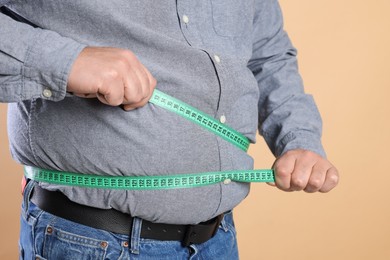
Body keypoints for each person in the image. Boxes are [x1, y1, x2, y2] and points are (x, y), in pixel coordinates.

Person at [0, 0, 339, 259]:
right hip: (93, 241)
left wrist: (298, 138)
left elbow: (268, 54)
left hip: (218, 239)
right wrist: (66, 61)